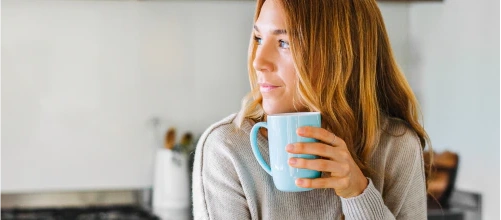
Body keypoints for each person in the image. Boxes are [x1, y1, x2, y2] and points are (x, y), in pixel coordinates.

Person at [192, 0, 431, 219]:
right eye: (258, 39)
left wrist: (358, 194)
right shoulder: (228, 149)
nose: (258, 62)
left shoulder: (397, 147)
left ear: (340, 57)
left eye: (284, 42)